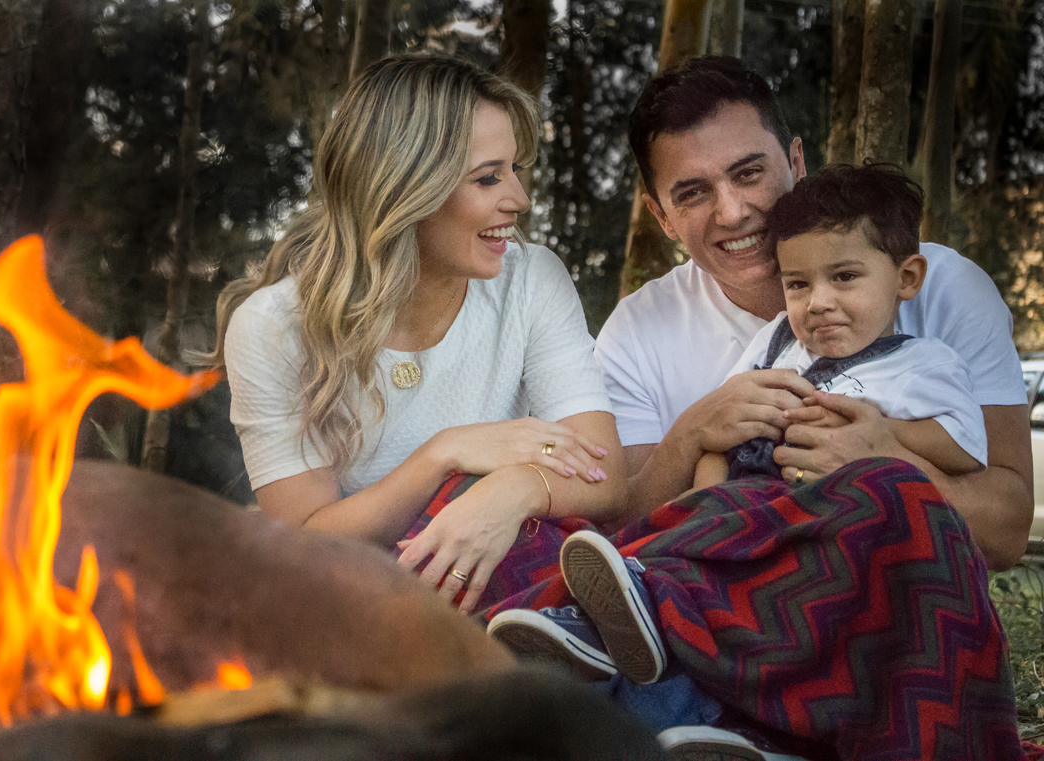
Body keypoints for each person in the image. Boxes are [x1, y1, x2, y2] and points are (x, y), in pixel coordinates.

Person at [486, 56, 1026, 760]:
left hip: (886, 617)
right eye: (693, 191)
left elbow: (1010, 525)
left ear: (795, 159)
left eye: (748, 173)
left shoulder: (938, 288)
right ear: (659, 213)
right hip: (718, 634)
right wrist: (691, 433)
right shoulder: (638, 329)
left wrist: (885, 456)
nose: (734, 211)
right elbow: (622, 519)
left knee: (879, 497)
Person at [210, 54, 629, 617]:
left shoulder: (531, 279)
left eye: (515, 170)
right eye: (488, 177)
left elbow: (605, 478)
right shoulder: (272, 327)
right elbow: (302, 543)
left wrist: (512, 491)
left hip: (511, 573)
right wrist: (445, 453)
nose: (520, 200)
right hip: (351, 599)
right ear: (404, 187)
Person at [692, 162, 986, 491]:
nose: (818, 302)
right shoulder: (777, 340)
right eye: (798, 284)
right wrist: (704, 503)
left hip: (840, 521)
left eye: (844, 276)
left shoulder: (923, 365)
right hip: (744, 506)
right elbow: (721, 430)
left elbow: (966, 449)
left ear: (906, 279)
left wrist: (885, 434)